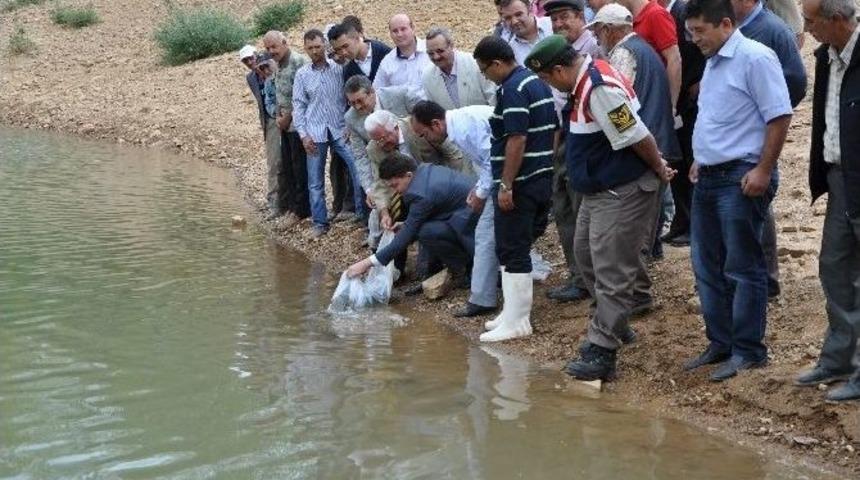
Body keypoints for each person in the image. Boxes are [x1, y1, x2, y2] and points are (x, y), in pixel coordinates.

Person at [526, 35, 675, 380]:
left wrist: (658, 168)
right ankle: (614, 322)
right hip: (599, 190)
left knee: (611, 268)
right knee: (585, 257)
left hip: (621, 190)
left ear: (560, 69)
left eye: (548, 78)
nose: (549, 85)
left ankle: (602, 349)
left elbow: (636, 134)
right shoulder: (582, 86)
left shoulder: (598, 88)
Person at [682, 0, 793, 382]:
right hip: (709, 175)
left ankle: (748, 350)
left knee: (742, 267)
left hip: (742, 176)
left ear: (725, 24)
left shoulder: (755, 57)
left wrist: (763, 168)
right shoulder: (714, 61)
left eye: (699, 31)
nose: (694, 39)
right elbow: (717, 115)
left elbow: (779, 115)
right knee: (705, 265)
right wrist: (701, 157)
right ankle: (721, 342)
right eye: (690, 32)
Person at [589, 3, 682, 309]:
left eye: (599, 31)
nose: (599, 38)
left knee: (635, 229)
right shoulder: (643, 48)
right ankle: (637, 293)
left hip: (645, 146)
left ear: (608, 30)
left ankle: (637, 297)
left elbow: (619, 107)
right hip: (653, 140)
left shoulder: (623, 55)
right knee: (643, 226)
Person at [794, 0, 860, 402]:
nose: (807, 30)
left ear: (836, 20)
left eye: (811, 21)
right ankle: (838, 359)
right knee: (834, 268)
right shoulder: (827, 56)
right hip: (839, 180)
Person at [473, 36, 558, 342]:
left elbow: (516, 138)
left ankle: (518, 321)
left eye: (485, 71)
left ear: (497, 64)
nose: (486, 76)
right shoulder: (535, 82)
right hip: (540, 176)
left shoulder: (513, 88)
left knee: (513, 247)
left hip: (521, 182)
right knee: (513, 245)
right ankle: (511, 312)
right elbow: (554, 130)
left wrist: (507, 183)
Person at [732, 0, 808, 299]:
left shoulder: (772, 30)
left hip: (760, 134)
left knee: (759, 202)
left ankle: (767, 280)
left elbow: (797, 81)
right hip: (739, 135)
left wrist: (772, 113)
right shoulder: (732, 26)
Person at [410, 101, 500, 318]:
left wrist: (480, 193)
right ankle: (490, 289)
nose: (426, 141)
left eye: (423, 135)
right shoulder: (459, 125)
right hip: (498, 180)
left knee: (485, 236)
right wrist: (479, 188)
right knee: (487, 234)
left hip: (507, 179)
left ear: (436, 125)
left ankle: (484, 299)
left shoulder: (465, 127)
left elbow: (492, 160)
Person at [541, 0, 602, 303]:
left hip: (582, 136)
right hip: (558, 135)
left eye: (564, 17)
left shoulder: (594, 49)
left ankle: (594, 281)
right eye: (553, 19)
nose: (559, 24)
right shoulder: (550, 49)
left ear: (580, 16)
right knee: (564, 208)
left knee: (583, 210)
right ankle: (578, 277)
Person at [345, 154, 479, 289]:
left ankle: (467, 269)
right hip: (463, 213)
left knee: (425, 232)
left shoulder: (419, 194)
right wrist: (405, 224)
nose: (395, 191)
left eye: (395, 185)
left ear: (408, 175)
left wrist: (367, 263)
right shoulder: (424, 170)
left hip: (472, 223)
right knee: (423, 229)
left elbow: (407, 235)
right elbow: (430, 210)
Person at [291, 29, 366, 238]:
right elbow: (299, 106)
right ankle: (320, 223)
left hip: (341, 129)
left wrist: (350, 126)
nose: (315, 51)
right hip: (314, 132)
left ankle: (362, 215)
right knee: (315, 181)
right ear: (305, 49)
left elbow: (350, 98)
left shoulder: (339, 69)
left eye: (318, 46)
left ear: (325, 45)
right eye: (310, 48)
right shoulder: (302, 75)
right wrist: (303, 135)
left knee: (358, 170)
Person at [344, 75, 423, 248]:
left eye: (360, 101)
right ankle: (380, 252)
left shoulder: (400, 95)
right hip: (387, 165)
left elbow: (426, 118)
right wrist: (369, 189)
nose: (357, 107)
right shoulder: (351, 118)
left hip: (417, 156)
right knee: (379, 211)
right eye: (352, 103)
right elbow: (360, 156)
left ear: (371, 92)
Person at [659, 0, 707, 247]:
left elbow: (701, 51)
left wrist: (700, 80)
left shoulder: (682, 10)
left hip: (690, 98)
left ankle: (693, 224)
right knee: (678, 161)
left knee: (690, 159)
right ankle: (682, 219)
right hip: (678, 99)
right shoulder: (664, 12)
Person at [263, 30, 310, 222]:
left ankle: (301, 210)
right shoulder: (278, 65)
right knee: (288, 168)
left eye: (274, 46)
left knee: (300, 169)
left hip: (299, 126)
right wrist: (278, 118)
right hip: (285, 126)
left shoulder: (299, 62)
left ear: (284, 42)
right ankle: (291, 207)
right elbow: (278, 95)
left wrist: (287, 117)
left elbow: (303, 96)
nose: (271, 51)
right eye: (267, 48)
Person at [615, 0, 683, 114]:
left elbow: (674, 59)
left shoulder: (656, 14)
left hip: (657, 103)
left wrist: (671, 105)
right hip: (641, 101)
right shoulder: (630, 19)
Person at [421, 28, 497, 109]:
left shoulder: (475, 64)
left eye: (440, 51)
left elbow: (493, 99)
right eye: (430, 53)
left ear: (451, 46)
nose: (436, 57)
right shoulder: (427, 76)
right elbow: (434, 111)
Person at [373, 14, 432, 91]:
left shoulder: (431, 50)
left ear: (413, 29)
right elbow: (377, 92)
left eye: (403, 29)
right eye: (395, 31)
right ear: (390, 34)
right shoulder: (387, 62)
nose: (399, 34)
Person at [327, 19, 392, 83]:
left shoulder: (386, 53)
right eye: (338, 50)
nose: (343, 52)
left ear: (357, 38)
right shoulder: (348, 71)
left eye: (345, 46)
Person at [496, 0, 556, 64]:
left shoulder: (553, 25)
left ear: (530, 10)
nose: (514, 22)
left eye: (518, 14)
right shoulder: (505, 46)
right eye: (508, 18)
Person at [239, 45, 268, 138]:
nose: (249, 62)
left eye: (251, 58)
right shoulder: (250, 78)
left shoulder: (271, 68)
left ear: (256, 55)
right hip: (267, 117)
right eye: (245, 61)